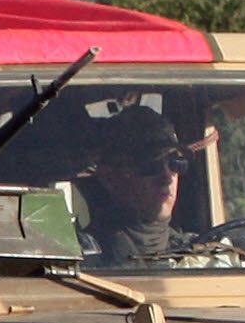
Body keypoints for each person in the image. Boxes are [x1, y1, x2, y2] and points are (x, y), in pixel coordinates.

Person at [75, 105, 193, 262]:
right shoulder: (83, 260)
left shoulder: (201, 255)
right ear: (109, 178)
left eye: (175, 162)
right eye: (150, 165)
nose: (167, 177)